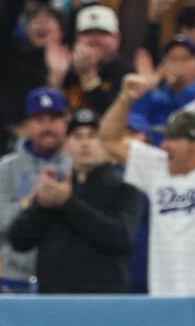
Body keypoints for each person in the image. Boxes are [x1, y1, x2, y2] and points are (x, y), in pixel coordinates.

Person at [9, 108, 143, 294]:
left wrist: (68, 203)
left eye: (93, 136)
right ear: (66, 146)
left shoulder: (125, 186)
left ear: (106, 143)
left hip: (103, 299)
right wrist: (41, 206)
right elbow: (18, 240)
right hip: (54, 298)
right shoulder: (55, 187)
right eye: (77, 136)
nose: (85, 143)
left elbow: (121, 238)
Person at [0, 87, 73, 286]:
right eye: (39, 120)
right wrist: (30, 201)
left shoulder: (78, 166)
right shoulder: (5, 168)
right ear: (28, 125)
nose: (47, 127)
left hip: (68, 277)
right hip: (14, 279)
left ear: (66, 123)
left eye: (54, 119)